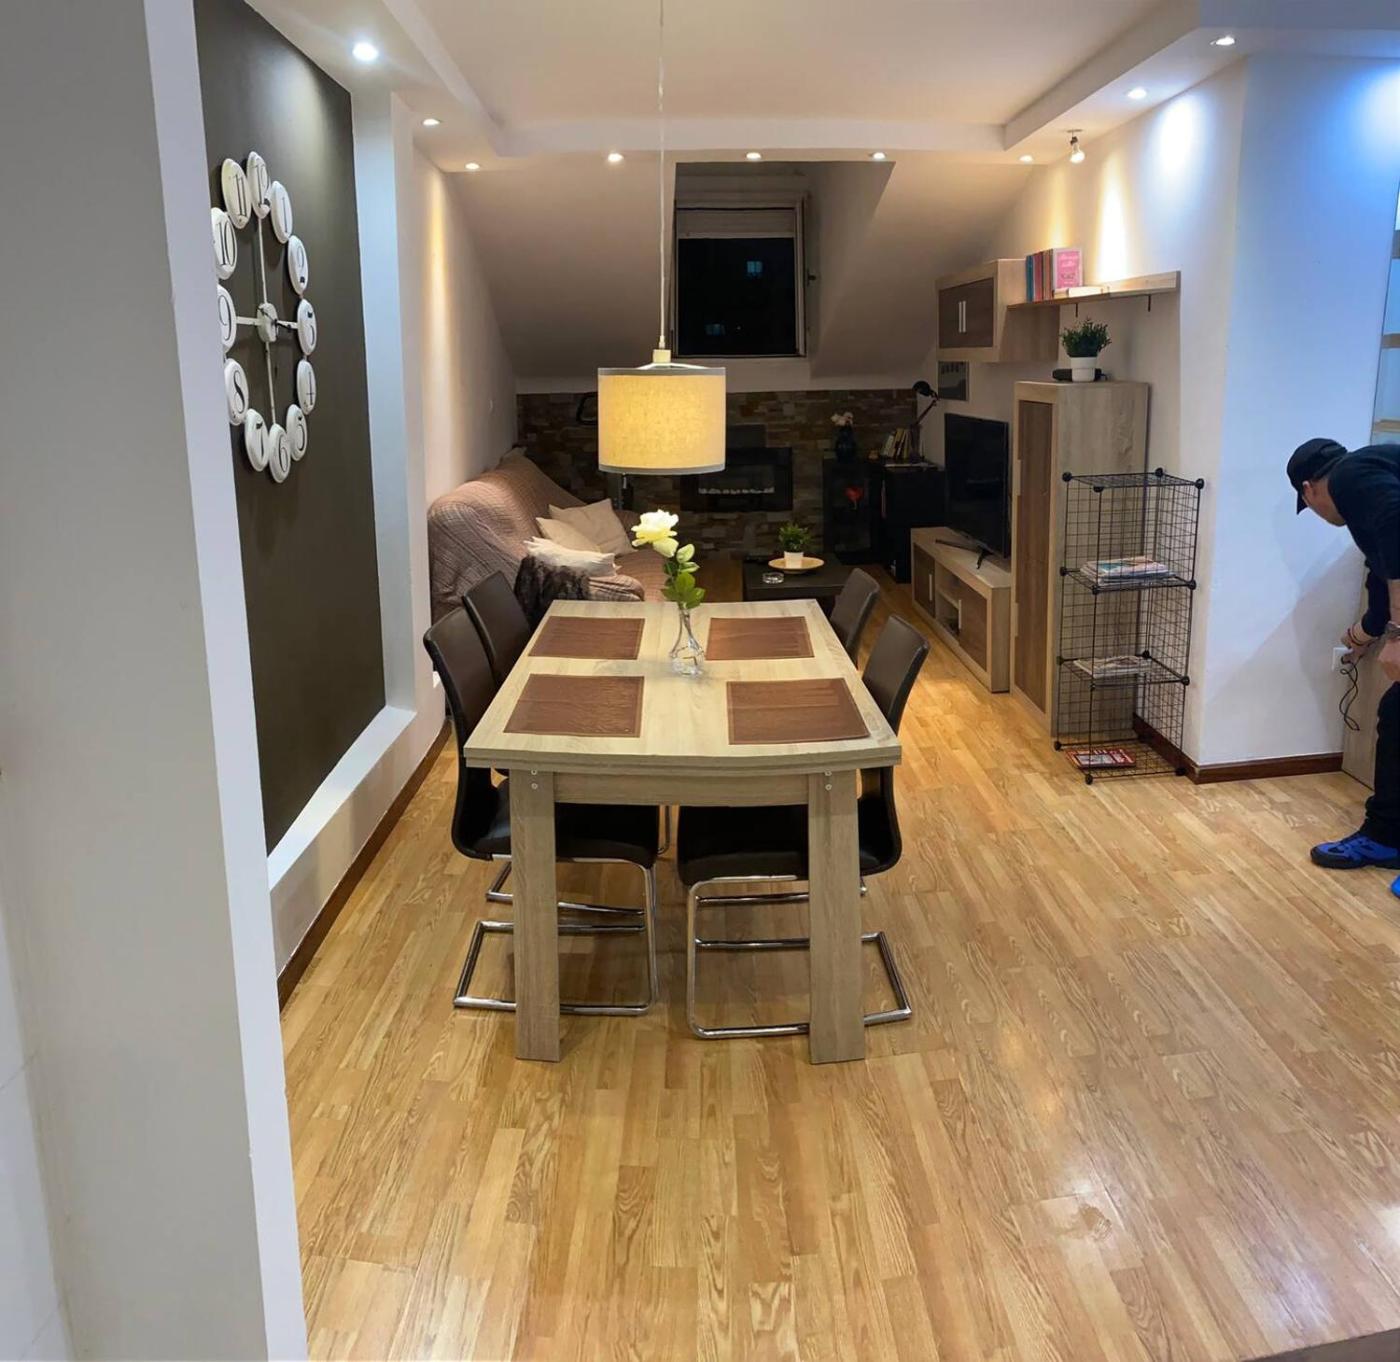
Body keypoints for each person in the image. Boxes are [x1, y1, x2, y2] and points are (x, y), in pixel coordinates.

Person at [1288, 438, 1400, 877]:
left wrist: (1398, 635)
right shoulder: (1367, 478)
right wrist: (1367, 631)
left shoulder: (1351, 477)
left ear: (1309, 488)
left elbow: (1397, 533)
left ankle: (1384, 837)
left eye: (1308, 505)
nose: (1318, 513)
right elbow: (1382, 569)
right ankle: (1386, 836)